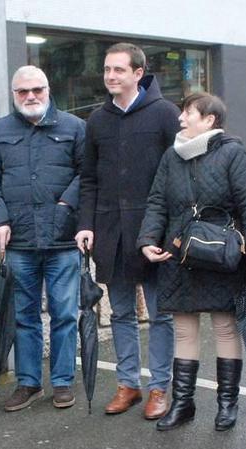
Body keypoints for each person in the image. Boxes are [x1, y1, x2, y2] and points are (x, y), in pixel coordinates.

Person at [137, 93, 246, 432]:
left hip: (221, 254)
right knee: (184, 329)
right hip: (178, 253)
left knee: (226, 327)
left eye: (188, 113)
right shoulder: (171, 156)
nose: (181, 119)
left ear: (210, 120)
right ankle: (184, 404)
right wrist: (147, 241)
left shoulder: (232, 152)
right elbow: (157, 202)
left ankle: (227, 405)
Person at [76, 43, 180, 419]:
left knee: (160, 314)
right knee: (120, 313)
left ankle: (159, 388)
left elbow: (178, 177)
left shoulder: (166, 114)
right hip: (110, 232)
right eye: (107, 70)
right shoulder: (97, 121)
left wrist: (172, 230)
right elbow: (88, 179)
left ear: (138, 73)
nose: (110, 76)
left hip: (153, 233)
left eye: (119, 70)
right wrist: (85, 224)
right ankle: (127, 384)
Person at [0, 65, 85, 412]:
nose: (31, 96)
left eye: (36, 89)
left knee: (65, 313)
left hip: (62, 239)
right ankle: (29, 382)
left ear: (48, 90)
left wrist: (68, 203)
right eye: (23, 92)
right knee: (23, 316)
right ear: (14, 95)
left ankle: (64, 381)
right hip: (18, 241)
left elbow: (88, 174)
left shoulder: (75, 127)